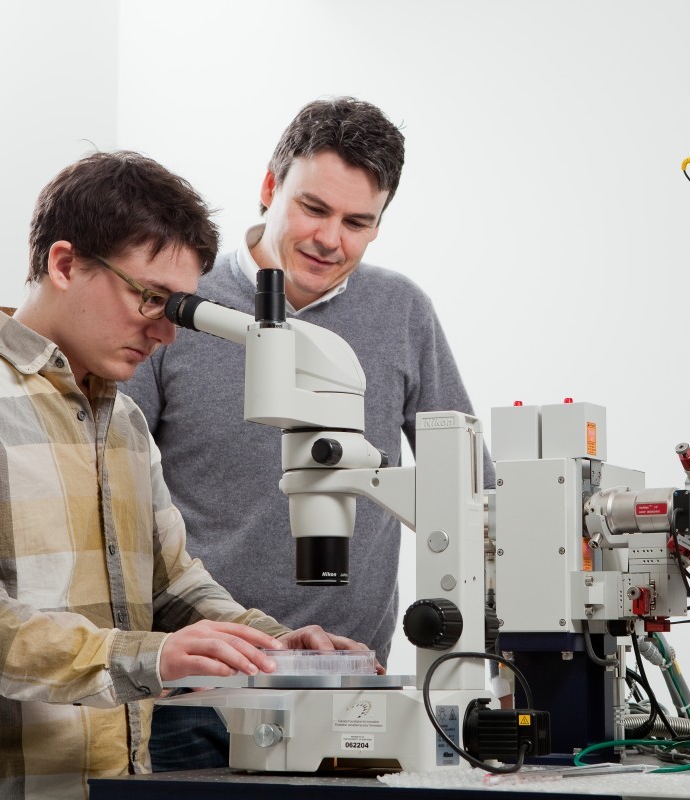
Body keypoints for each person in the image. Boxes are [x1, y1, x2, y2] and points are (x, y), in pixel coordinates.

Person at [0, 150, 367, 800]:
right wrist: (143, 657)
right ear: (65, 263)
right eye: (151, 298)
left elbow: (172, 584)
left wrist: (270, 646)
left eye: (177, 307)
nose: (166, 333)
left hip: (122, 787)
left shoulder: (124, 420)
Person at [122, 96, 493, 771]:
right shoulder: (180, 301)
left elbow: (472, 490)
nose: (331, 240)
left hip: (349, 684)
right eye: (314, 209)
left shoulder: (401, 311)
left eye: (358, 222)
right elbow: (114, 490)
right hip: (197, 688)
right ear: (269, 187)